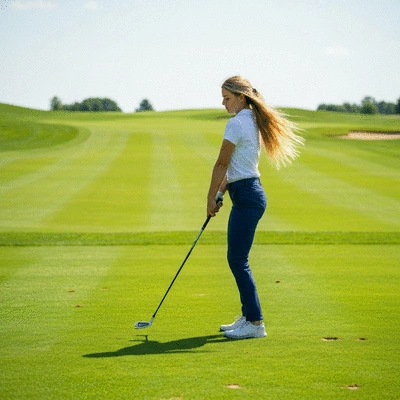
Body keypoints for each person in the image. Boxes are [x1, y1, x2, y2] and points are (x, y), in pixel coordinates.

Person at [207, 76, 304, 339]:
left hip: (248, 196)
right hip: (248, 192)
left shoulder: (237, 123)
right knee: (237, 258)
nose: (223, 103)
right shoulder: (251, 120)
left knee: (237, 259)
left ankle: (255, 323)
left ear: (241, 97)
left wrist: (209, 198)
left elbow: (221, 164)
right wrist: (220, 192)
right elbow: (238, 168)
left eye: (227, 98)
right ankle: (247, 315)